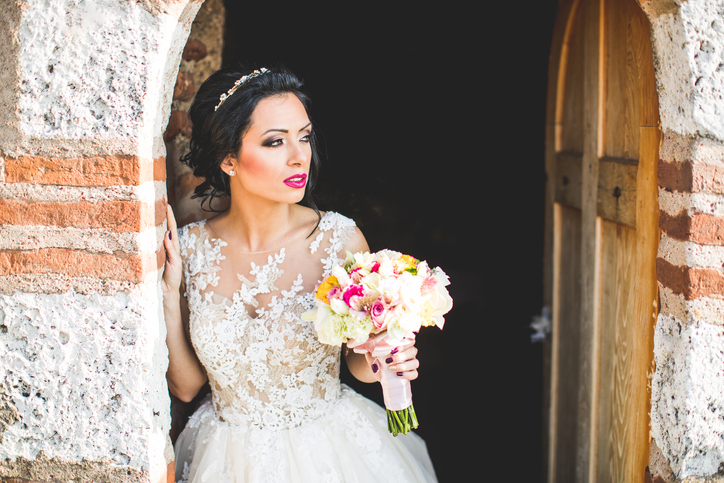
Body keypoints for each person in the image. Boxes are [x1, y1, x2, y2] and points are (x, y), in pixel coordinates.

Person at [162, 65, 437, 482]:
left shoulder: (338, 240)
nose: (299, 156)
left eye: (304, 137)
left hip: (330, 454)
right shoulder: (191, 249)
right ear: (228, 159)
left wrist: (385, 352)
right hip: (224, 459)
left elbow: (356, 365)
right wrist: (167, 297)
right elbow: (185, 388)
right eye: (275, 141)